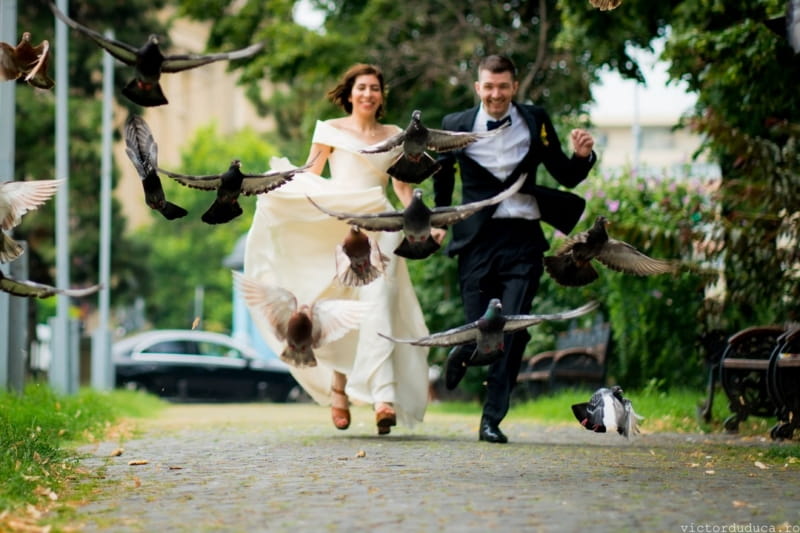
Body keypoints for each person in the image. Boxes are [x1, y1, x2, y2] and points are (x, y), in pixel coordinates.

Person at [243, 63, 430, 435]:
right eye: (361, 87)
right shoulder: (328, 129)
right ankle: (339, 389)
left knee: (379, 304)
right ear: (349, 93)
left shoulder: (395, 134)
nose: (368, 94)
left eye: (375, 88)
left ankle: (383, 399)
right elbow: (310, 174)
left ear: (381, 95)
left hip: (381, 227)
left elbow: (403, 189)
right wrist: (277, 192)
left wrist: (423, 222)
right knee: (343, 307)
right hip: (339, 225)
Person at [432, 54, 596, 443]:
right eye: (489, 86)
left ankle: (492, 420)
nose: (496, 94)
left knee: (514, 328)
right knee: (481, 329)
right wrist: (438, 222)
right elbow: (442, 180)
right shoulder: (455, 126)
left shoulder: (535, 119)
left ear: (514, 87)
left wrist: (583, 156)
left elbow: (565, 174)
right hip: (476, 241)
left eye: (503, 86)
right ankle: (464, 352)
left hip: (523, 238)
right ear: (478, 88)